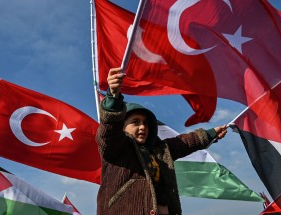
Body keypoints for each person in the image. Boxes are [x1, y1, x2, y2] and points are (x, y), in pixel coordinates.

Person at [96, 68, 228, 215]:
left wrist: (211, 133)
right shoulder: (117, 147)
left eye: (145, 123)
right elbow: (109, 131)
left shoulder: (160, 149)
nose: (142, 127)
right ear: (122, 126)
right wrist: (113, 99)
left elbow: (185, 142)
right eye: (135, 122)